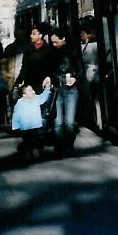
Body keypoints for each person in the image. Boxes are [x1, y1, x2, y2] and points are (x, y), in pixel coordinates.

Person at [49, 27, 82, 155]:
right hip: (57, 90)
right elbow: (48, 71)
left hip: (71, 90)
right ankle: (59, 148)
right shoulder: (51, 54)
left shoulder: (73, 52)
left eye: (55, 42)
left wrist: (74, 78)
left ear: (63, 39)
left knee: (69, 122)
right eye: (52, 42)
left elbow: (80, 70)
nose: (53, 44)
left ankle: (69, 144)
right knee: (57, 122)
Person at [12, 83, 51, 162]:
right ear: (24, 95)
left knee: (37, 139)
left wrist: (47, 88)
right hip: (25, 126)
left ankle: (35, 151)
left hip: (36, 125)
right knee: (27, 140)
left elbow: (43, 97)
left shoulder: (36, 98)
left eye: (32, 89)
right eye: (30, 91)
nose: (33, 91)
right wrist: (15, 125)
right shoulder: (20, 102)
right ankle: (26, 151)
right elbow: (16, 114)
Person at [79, 26, 98, 124]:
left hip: (92, 71)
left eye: (83, 33)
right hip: (87, 72)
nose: (81, 36)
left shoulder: (93, 45)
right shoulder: (86, 45)